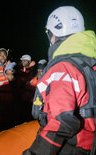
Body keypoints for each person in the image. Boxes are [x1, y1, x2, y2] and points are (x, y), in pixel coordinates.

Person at [24, 6, 96, 154]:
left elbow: (62, 122)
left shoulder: (63, 68)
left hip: (71, 147)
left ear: (54, 34)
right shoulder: (90, 62)